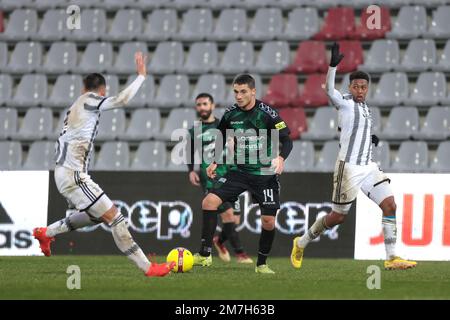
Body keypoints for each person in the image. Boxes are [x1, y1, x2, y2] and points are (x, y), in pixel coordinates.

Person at [33, 52, 175, 277]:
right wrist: (141, 76)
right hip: (74, 175)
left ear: (83, 88)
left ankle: (46, 233)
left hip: (63, 172)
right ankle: (148, 268)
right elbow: (122, 100)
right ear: (101, 91)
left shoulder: (75, 105)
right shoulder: (91, 100)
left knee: (94, 215)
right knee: (115, 217)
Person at [290, 43, 417, 271]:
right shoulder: (345, 103)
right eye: (356, 86)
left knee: (390, 204)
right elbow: (329, 90)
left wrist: (371, 139)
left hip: (368, 166)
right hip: (348, 167)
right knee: (337, 217)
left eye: (363, 87)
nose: (360, 90)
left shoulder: (367, 109)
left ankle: (392, 257)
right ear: (350, 87)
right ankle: (301, 242)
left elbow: (354, 131)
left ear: (367, 89)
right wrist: (332, 67)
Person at [193, 74, 293, 274]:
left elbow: (287, 140)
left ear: (253, 91)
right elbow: (221, 137)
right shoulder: (230, 114)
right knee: (209, 202)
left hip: (264, 173)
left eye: (243, 92)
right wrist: (215, 162)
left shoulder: (268, 114)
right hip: (238, 171)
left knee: (268, 221)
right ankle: (204, 255)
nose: (238, 96)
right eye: (236, 92)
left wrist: (281, 158)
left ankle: (262, 264)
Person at [187, 93, 253, 264]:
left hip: (229, 173)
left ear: (212, 105)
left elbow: (235, 144)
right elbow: (189, 152)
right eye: (199, 104)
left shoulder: (222, 125)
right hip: (210, 177)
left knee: (235, 219)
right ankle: (240, 254)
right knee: (228, 216)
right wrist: (190, 170)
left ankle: (219, 241)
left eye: (204, 104)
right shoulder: (194, 131)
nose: (201, 107)